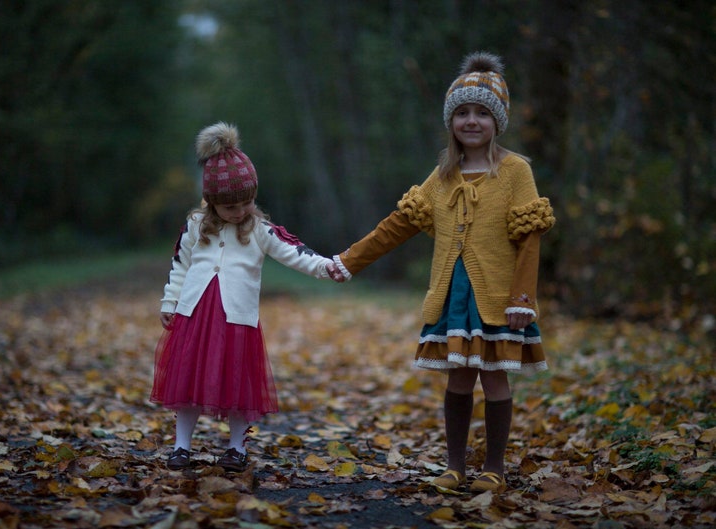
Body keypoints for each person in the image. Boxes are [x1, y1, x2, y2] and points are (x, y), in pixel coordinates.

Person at [333, 52, 555, 493]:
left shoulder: (514, 171)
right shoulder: (443, 176)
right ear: (451, 121)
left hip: (497, 297)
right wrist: (348, 260)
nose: (471, 121)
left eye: (481, 113)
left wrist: (523, 299)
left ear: (498, 120)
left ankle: (494, 467)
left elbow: (530, 238)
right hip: (453, 295)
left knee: (494, 376)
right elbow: (397, 226)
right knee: (458, 377)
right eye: (462, 113)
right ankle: (454, 466)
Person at [151, 122, 344, 472]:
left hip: (236, 319)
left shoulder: (259, 229)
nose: (239, 211)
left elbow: (294, 252)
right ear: (211, 203)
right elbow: (180, 264)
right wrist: (170, 302)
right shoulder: (196, 225)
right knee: (188, 381)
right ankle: (181, 445)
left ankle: (237, 447)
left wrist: (326, 267)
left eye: (246, 203)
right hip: (194, 317)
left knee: (237, 385)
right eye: (229, 207)